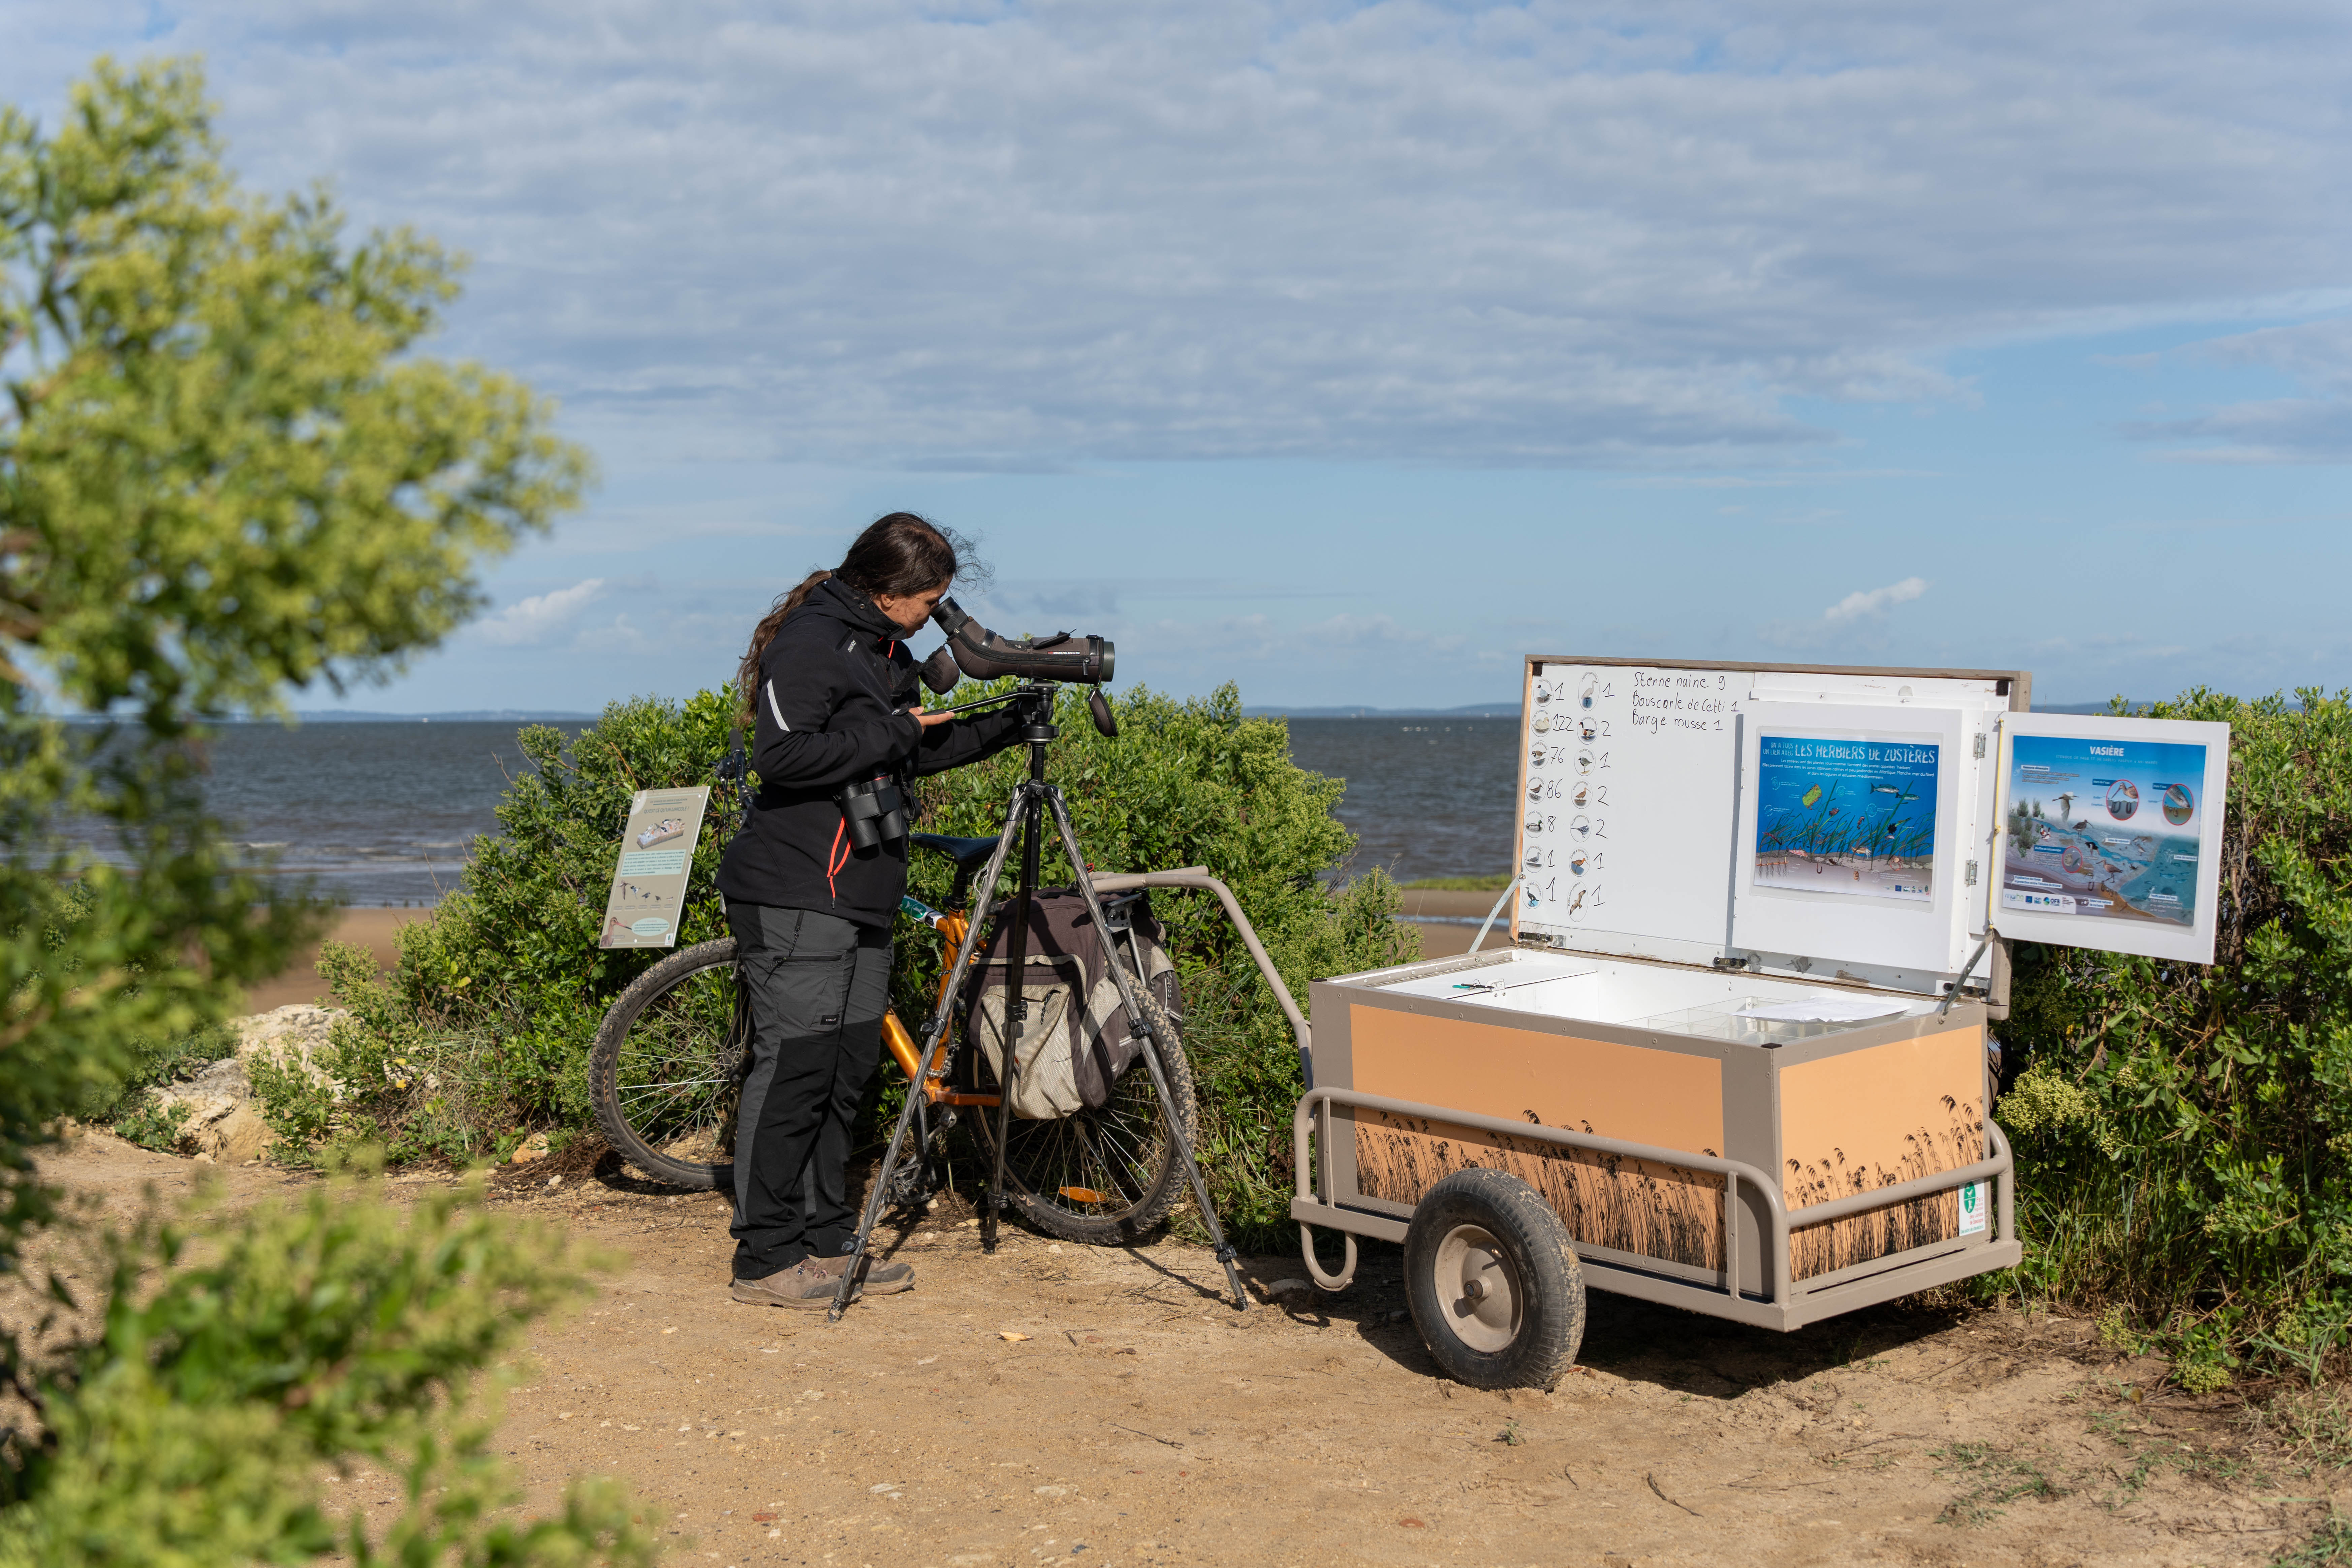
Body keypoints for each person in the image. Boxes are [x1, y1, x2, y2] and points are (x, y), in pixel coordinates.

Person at [715, 513, 1025, 1309]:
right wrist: (892, 730)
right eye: (928, 601)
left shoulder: (882, 648)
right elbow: (781, 758)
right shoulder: (812, 643)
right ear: (886, 591)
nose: (933, 617)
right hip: (796, 890)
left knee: (846, 1070)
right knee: (795, 1070)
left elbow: (907, 745)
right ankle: (766, 1257)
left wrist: (1002, 725)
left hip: (862, 889)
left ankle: (822, 1237)